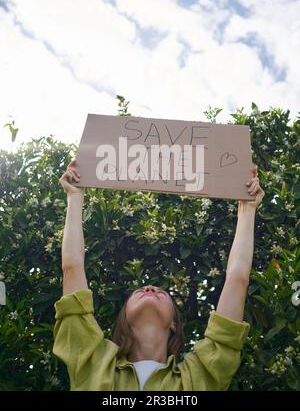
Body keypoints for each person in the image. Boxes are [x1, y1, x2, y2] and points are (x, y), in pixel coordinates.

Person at [52, 159, 265, 391]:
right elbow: (71, 267)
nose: (150, 288)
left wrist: (247, 209)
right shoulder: (93, 362)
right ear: (125, 318)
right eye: (140, 291)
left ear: (173, 323)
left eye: (161, 291)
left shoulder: (197, 377)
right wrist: (74, 196)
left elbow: (238, 279)